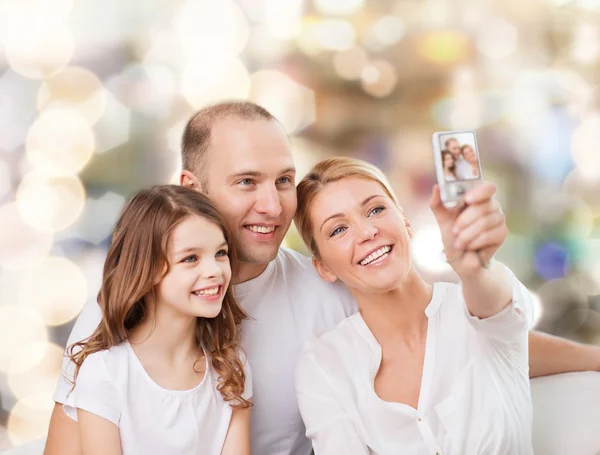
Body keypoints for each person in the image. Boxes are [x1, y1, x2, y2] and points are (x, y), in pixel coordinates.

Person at [44, 101, 600, 455]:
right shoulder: (122, 309)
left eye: (284, 180)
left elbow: (470, 338)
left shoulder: (328, 294)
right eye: (246, 182)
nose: (271, 204)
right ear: (191, 185)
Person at [294, 157, 533, 453]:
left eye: (376, 209)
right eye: (338, 230)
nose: (367, 232)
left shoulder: (477, 307)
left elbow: (496, 305)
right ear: (324, 268)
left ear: (405, 221)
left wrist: (474, 268)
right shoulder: (325, 362)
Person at [62, 185, 252, 455]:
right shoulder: (105, 373)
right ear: (147, 269)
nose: (214, 271)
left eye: (220, 253)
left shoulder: (230, 368)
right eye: (190, 258)